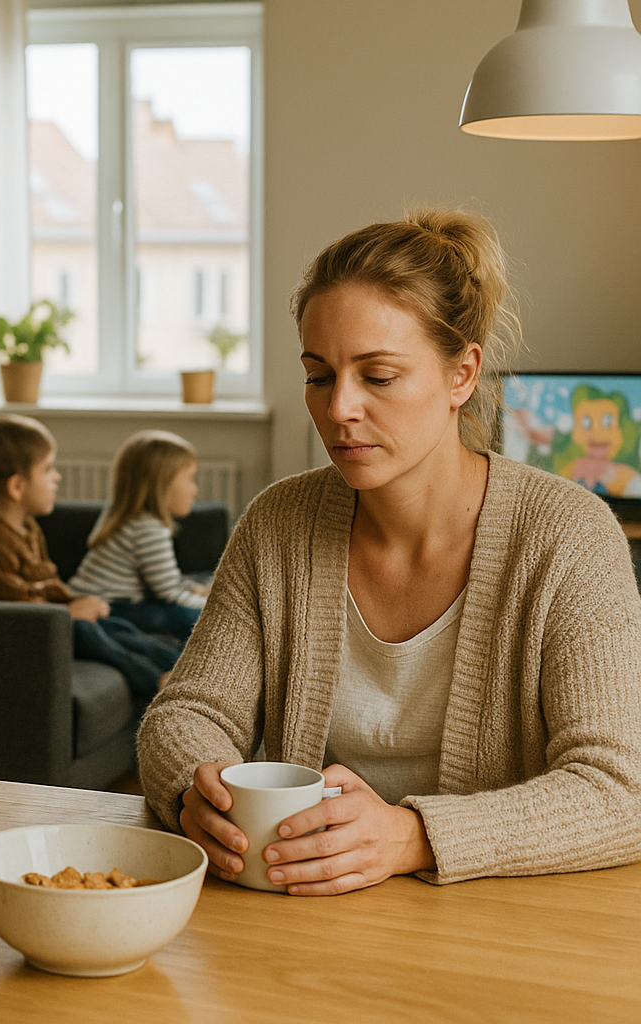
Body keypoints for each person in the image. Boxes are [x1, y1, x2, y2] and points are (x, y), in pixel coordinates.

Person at [137, 209, 641, 894]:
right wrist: (194, 793)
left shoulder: (570, 537)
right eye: (319, 376)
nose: (339, 408)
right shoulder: (278, 525)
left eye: (377, 377)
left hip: (497, 922)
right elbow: (187, 712)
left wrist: (411, 836)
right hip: (303, 913)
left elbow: (620, 789)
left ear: (462, 374)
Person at [0, 414, 179, 701]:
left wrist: (78, 603)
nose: (57, 477)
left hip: (48, 622)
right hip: (15, 635)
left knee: (115, 626)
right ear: (16, 486)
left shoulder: (28, 527)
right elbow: (12, 608)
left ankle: (183, 663)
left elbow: (47, 582)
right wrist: (70, 613)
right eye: (48, 469)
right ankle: (155, 681)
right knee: (85, 631)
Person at [68, 430, 208, 643]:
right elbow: (170, 593)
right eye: (189, 479)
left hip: (93, 598)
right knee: (184, 616)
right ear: (161, 485)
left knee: (198, 581)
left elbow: (168, 581)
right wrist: (213, 607)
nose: (195, 490)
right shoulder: (148, 528)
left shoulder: (121, 513)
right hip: (111, 607)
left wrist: (195, 590)